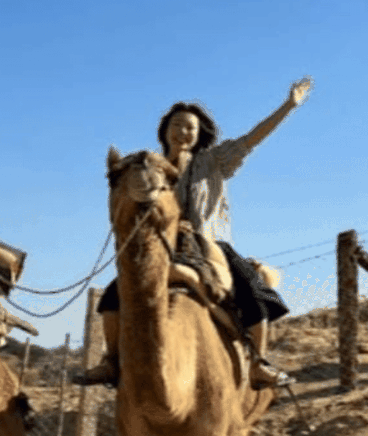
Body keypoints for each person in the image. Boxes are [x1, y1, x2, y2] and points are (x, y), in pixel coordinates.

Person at [76, 77, 313, 389]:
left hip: (208, 244)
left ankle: (257, 363)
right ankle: (112, 362)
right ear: (165, 130)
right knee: (111, 298)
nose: (183, 132)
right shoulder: (152, 169)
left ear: (200, 133)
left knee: (252, 293)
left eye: (190, 126)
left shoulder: (214, 160)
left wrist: (288, 106)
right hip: (163, 247)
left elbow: (251, 140)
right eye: (177, 125)